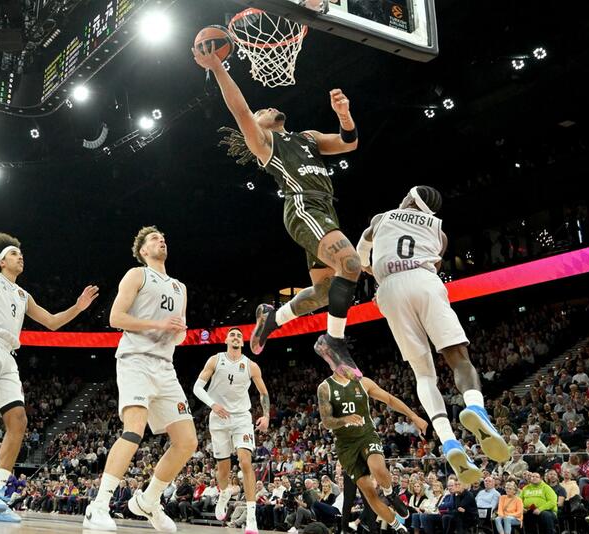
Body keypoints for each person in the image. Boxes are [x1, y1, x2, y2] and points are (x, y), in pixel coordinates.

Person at [192, 44, 363, 379]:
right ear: (256, 126)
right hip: (303, 206)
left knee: (327, 292)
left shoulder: (308, 138)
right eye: (259, 112)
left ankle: (273, 318)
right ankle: (333, 340)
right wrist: (217, 68)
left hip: (325, 209)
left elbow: (348, 143)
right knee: (351, 263)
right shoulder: (266, 144)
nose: (264, 108)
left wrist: (344, 115)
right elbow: (241, 111)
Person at [0, 232, 99, 522]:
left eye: (21, 254)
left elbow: (51, 322)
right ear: (1, 262)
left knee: (19, 421)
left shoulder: (24, 296)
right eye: (13, 253)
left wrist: (78, 307)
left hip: (7, 356)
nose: (20, 256)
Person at [355, 186, 509, 484]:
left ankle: (449, 440)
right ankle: (476, 408)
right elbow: (434, 263)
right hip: (424, 280)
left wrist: (371, 268)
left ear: (411, 199)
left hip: (389, 290)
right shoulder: (440, 231)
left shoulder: (381, 218)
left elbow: (361, 252)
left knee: (424, 375)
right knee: (459, 358)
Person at [82, 226, 197, 532]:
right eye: (155, 239)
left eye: (163, 238)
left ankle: (148, 500)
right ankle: (99, 506)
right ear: (144, 250)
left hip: (165, 365)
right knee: (134, 431)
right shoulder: (137, 275)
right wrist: (157, 323)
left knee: (187, 442)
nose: (162, 240)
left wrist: (178, 331)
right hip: (136, 360)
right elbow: (115, 318)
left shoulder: (180, 287)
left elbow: (181, 330)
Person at [317, 368, 428, 533]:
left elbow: (389, 399)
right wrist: (344, 419)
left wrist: (413, 416)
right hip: (346, 446)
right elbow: (326, 421)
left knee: (378, 468)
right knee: (369, 493)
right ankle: (398, 527)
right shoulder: (325, 387)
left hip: (366, 435)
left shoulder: (363, 382)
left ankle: (390, 493)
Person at [193, 327, 271, 534]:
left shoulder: (251, 366)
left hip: (241, 418)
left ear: (242, 343)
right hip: (218, 418)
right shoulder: (215, 360)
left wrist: (266, 415)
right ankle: (224, 493)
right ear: (226, 339)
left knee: (246, 461)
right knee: (223, 469)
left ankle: (252, 517)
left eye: (239, 336)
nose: (236, 337)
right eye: (233, 335)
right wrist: (213, 404)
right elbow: (197, 388)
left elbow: (263, 393)